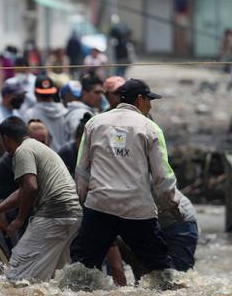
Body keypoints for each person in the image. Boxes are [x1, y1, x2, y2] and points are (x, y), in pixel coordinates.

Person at [71, 78, 182, 275]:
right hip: (137, 209)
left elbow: (82, 170)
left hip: (99, 206)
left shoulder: (94, 123)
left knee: (82, 269)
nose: (150, 105)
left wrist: (84, 202)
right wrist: (172, 205)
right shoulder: (150, 128)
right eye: (150, 100)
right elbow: (162, 176)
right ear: (140, 99)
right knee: (160, 269)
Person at [0, 117, 82, 281]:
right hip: (73, 214)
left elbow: (30, 187)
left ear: (6, 138)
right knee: (58, 278)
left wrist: (19, 219)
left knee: (17, 273)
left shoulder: (23, 151)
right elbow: (23, 190)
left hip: (53, 213)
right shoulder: (39, 148)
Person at [23, 76, 67, 151]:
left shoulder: (30, 114)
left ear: (35, 93)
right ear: (53, 93)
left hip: (42, 160)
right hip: (63, 160)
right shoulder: (65, 112)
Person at [63, 74, 103, 139]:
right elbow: (80, 140)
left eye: (102, 93)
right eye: (97, 92)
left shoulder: (90, 111)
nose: (101, 96)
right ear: (84, 93)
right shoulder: (79, 114)